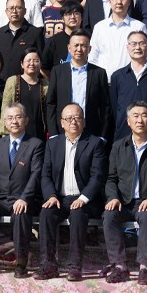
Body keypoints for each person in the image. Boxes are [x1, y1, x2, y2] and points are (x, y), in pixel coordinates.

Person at [100, 103, 147, 284]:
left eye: (144, 115)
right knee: (109, 215)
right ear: (128, 121)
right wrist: (113, 197)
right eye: (135, 116)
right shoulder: (118, 147)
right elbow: (111, 178)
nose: (140, 120)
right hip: (123, 202)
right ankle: (119, 266)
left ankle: (145, 268)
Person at [39, 104, 108, 280]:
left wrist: (83, 198)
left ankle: (74, 267)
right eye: (69, 119)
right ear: (62, 123)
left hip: (86, 200)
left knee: (78, 214)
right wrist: (51, 196)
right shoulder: (53, 144)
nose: (73, 122)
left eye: (77, 118)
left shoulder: (95, 143)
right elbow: (45, 174)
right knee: (46, 213)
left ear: (84, 122)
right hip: (60, 199)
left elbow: (98, 176)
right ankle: (48, 265)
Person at [0, 102, 43, 278]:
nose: (14, 121)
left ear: (26, 120)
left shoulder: (35, 144)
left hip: (24, 199)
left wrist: (25, 198)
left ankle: (20, 264)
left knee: (21, 213)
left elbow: (36, 174)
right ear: (5, 122)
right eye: (10, 118)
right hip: (2, 198)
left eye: (18, 117)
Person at [47, 32, 112, 141]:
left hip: (91, 133)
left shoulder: (99, 73)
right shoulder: (57, 71)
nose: (79, 49)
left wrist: (102, 135)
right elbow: (51, 104)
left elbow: (105, 106)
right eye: (76, 45)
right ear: (69, 48)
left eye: (83, 45)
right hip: (63, 132)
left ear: (89, 49)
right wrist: (53, 133)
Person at [3, 50, 52, 140]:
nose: (32, 63)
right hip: (17, 133)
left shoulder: (46, 85)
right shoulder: (12, 81)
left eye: (36, 60)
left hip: (39, 134)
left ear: (40, 64)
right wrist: (5, 134)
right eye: (28, 60)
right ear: (22, 64)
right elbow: (5, 108)